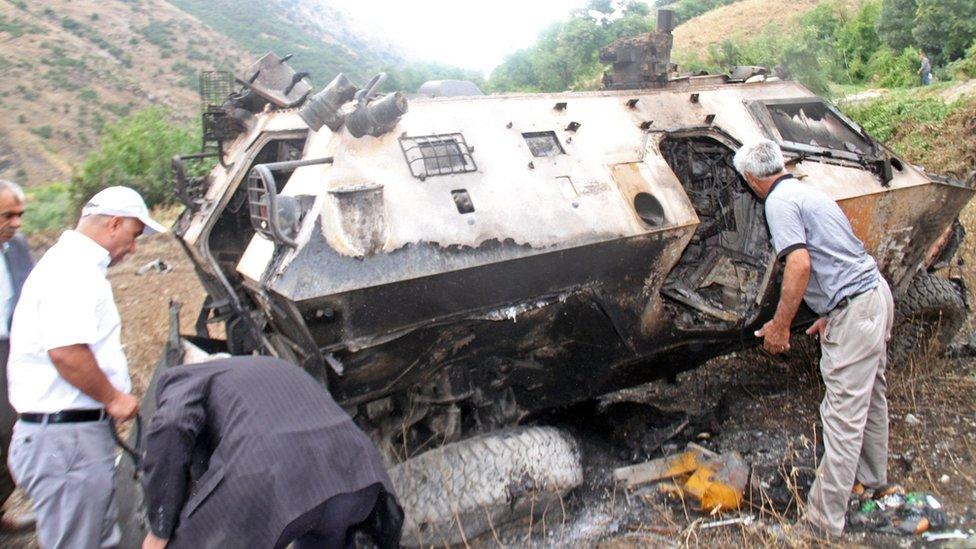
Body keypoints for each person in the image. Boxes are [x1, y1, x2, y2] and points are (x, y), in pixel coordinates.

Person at [733, 139, 894, 538]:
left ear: (752, 180)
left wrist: (781, 325)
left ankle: (821, 524)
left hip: (856, 309)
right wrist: (830, 312)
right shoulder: (806, 191)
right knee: (870, 397)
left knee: (841, 417)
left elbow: (800, 262)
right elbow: (837, 253)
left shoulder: (778, 203)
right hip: (872, 296)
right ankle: (871, 482)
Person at [6, 186, 166, 548]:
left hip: (69, 439)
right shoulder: (71, 270)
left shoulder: (73, 265)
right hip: (66, 443)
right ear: (114, 224)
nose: (133, 248)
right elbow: (66, 352)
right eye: (134, 235)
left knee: (95, 537)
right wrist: (113, 398)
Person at [141, 356, 403, 549]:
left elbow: (172, 423)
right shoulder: (266, 367)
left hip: (271, 485)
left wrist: (159, 528)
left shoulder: (182, 378)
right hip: (357, 477)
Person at [0, 180, 33, 534]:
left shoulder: (18, 247)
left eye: (20, 214)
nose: (17, 223)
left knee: (10, 431)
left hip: (11, 349)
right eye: (8, 215)